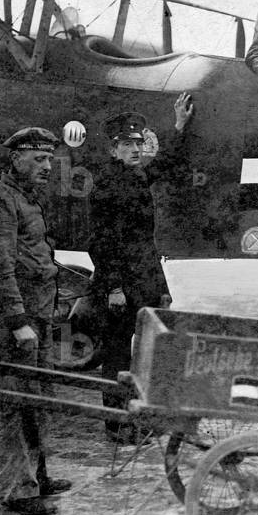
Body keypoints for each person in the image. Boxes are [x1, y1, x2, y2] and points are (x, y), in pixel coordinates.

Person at [0, 127, 71, 515]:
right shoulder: (0, 201)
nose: (47, 166)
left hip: (39, 316)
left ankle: (39, 475)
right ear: (16, 159)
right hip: (18, 321)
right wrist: (17, 321)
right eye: (38, 158)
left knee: (38, 400)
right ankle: (17, 488)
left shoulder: (25, 198)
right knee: (14, 405)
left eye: (49, 159)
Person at [89, 93, 195, 425]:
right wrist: (114, 288)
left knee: (150, 341)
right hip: (120, 281)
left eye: (138, 143)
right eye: (126, 144)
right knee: (118, 350)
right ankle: (117, 423)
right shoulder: (106, 186)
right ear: (112, 149)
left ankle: (143, 412)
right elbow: (101, 243)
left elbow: (163, 164)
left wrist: (179, 127)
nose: (135, 149)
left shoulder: (134, 176)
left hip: (145, 275)